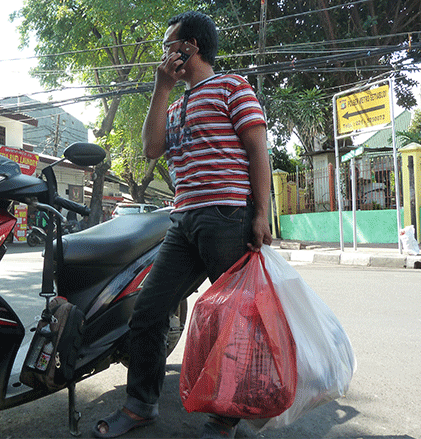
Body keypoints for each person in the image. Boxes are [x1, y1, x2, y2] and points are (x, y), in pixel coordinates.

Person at [92, 11, 273, 439]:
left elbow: (258, 150)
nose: (163, 52)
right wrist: (161, 88)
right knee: (148, 312)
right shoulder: (173, 103)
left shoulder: (233, 87)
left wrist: (261, 214)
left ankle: (224, 419)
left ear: (190, 46)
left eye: (169, 43)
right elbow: (152, 148)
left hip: (228, 216)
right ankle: (141, 406)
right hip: (183, 220)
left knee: (230, 322)